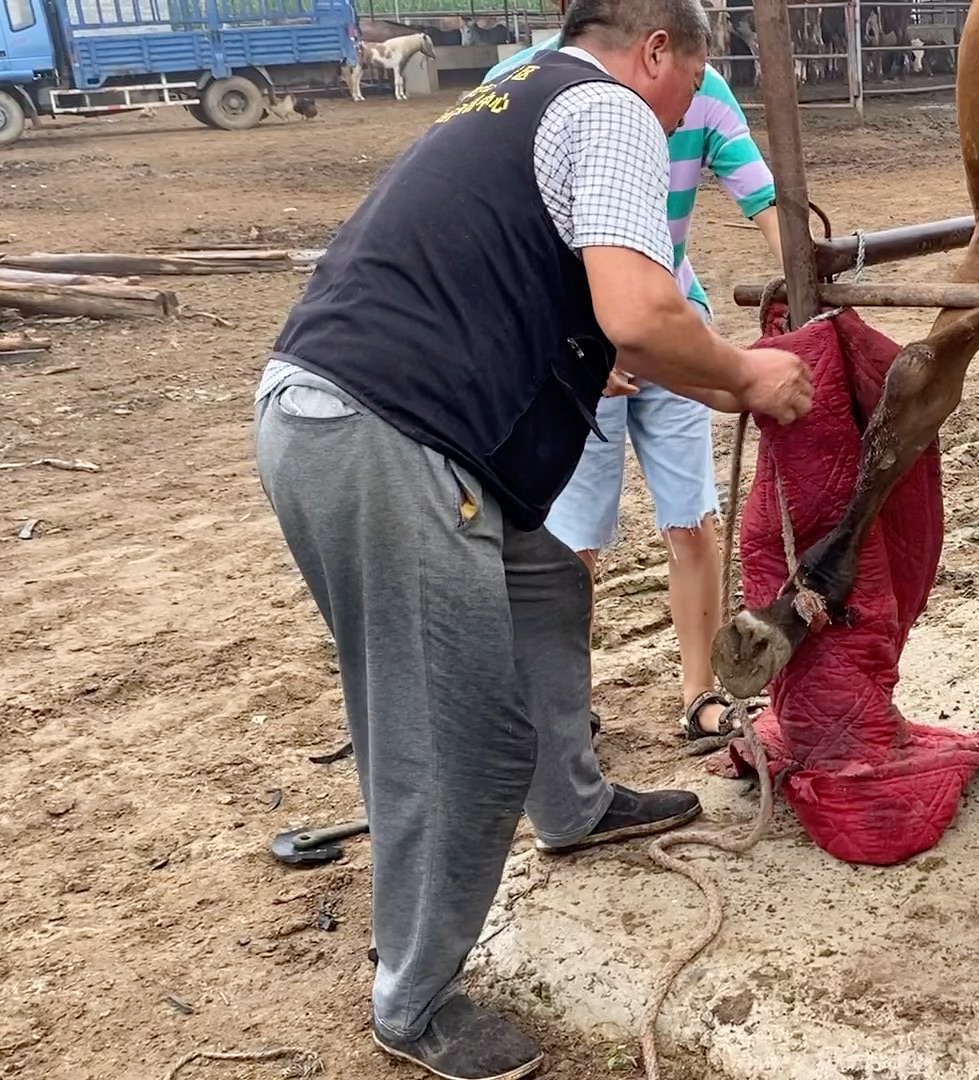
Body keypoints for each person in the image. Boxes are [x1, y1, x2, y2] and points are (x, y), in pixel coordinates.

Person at [252, 0, 811, 1076]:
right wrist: (743, 377)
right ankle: (412, 1001)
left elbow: (562, 306)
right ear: (656, 52)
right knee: (453, 733)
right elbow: (640, 314)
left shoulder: (515, 92)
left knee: (547, 583)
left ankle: (575, 802)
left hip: (346, 411)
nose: (688, 115)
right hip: (386, 435)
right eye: (694, 87)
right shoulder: (607, 110)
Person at [485, 30, 784, 745]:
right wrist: (574, 343)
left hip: (671, 321)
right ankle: (564, 707)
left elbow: (766, 199)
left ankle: (701, 693)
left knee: (692, 517)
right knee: (574, 535)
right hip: (575, 339)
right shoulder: (528, 83)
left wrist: (806, 275)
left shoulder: (699, 87)